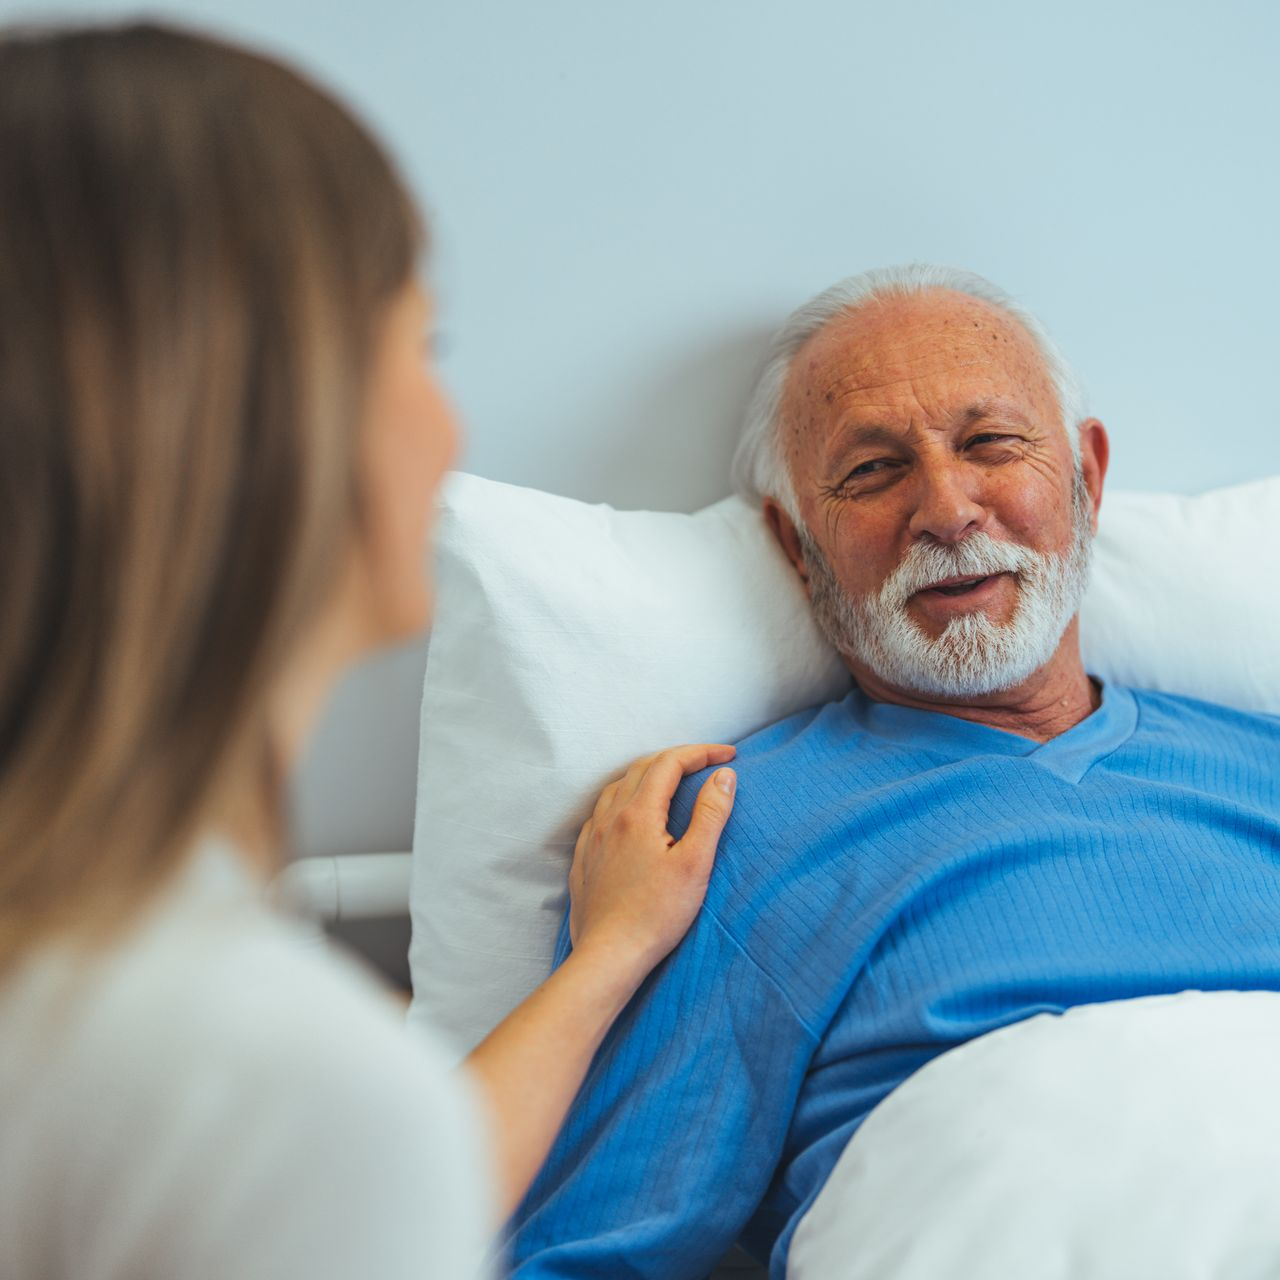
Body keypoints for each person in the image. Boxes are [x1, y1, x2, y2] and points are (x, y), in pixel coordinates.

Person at [0, 20, 738, 1279]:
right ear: (279, 421)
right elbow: (325, 1147)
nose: (450, 421)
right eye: (423, 344)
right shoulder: (280, 1090)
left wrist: (607, 950)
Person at [508, 264, 1280, 1277]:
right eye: (870, 471)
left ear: (1087, 477)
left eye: (990, 443)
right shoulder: (720, 838)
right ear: (795, 545)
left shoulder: (1255, 762)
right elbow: (589, 1253)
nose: (948, 510)